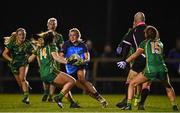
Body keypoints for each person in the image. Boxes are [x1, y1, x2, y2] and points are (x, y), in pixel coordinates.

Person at [118, 25, 179, 111]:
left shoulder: (144, 43)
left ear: (146, 34)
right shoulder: (160, 43)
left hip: (151, 70)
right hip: (162, 69)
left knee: (132, 83)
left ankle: (128, 105)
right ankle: (174, 106)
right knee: (168, 86)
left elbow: (136, 54)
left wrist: (125, 61)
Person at [60, 28, 108, 108]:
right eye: (70, 35)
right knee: (85, 90)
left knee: (81, 78)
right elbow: (60, 56)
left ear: (78, 36)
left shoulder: (82, 45)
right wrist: (68, 60)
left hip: (80, 66)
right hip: (70, 69)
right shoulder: (66, 44)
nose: (72, 37)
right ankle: (101, 100)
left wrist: (83, 61)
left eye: (74, 35)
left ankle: (99, 96)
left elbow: (87, 57)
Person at [30, 31, 76, 108]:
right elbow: (56, 58)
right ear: (52, 38)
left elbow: (30, 59)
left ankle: (73, 103)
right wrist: (68, 61)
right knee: (72, 81)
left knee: (65, 86)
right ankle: (58, 97)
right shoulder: (52, 45)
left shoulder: (40, 47)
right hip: (50, 72)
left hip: (43, 74)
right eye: (54, 37)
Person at [116, 12, 150, 110]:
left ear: (134, 21)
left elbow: (126, 46)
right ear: (144, 20)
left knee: (130, 81)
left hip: (139, 59)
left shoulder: (134, 30)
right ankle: (141, 104)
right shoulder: (151, 30)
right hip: (151, 61)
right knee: (146, 84)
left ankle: (127, 102)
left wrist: (123, 60)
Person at [2, 28, 34, 104]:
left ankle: (26, 98)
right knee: (20, 83)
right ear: (17, 36)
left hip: (23, 63)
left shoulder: (27, 43)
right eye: (20, 34)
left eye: (24, 34)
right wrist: (11, 60)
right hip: (14, 64)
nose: (22, 36)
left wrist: (29, 59)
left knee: (22, 79)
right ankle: (27, 85)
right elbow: (4, 54)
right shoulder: (12, 44)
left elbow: (34, 52)